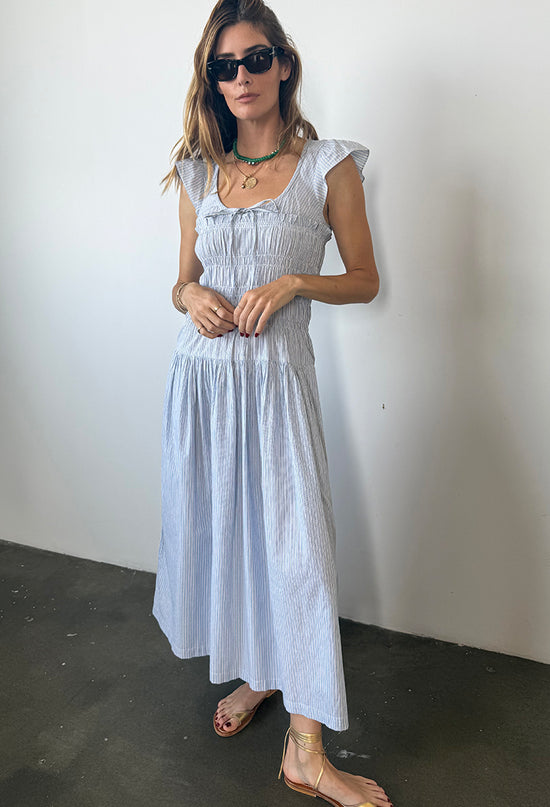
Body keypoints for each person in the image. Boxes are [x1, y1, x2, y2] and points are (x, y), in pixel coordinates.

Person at [153, 1, 391, 805]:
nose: (241, 77)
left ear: (284, 63)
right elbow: (181, 281)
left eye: (255, 59)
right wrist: (191, 297)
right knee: (232, 541)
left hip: (277, 387)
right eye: (224, 67)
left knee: (298, 552)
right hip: (204, 388)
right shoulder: (198, 173)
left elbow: (365, 279)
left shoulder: (329, 165)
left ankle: (306, 751)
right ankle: (260, 671)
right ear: (212, 80)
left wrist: (293, 282)